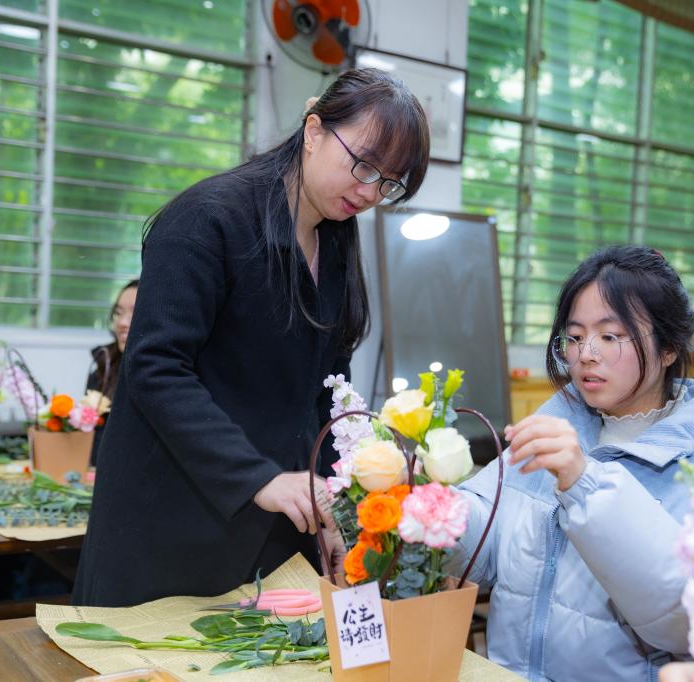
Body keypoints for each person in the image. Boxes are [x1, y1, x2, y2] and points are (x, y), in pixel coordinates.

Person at [73, 68, 430, 607]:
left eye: (389, 183)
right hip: (172, 521)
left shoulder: (335, 240)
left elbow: (327, 391)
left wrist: (334, 508)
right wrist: (258, 478)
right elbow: (155, 367)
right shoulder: (207, 219)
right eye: (363, 165)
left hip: (275, 528)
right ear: (314, 130)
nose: (369, 191)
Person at [449, 246, 694, 681]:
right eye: (574, 336)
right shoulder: (556, 424)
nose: (586, 353)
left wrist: (585, 484)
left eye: (610, 336)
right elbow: (481, 548)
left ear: (668, 348)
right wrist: (426, 506)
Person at [85, 279, 138, 466]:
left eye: (135, 313)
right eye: (118, 313)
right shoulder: (103, 366)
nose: (122, 322)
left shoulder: (167, 374)